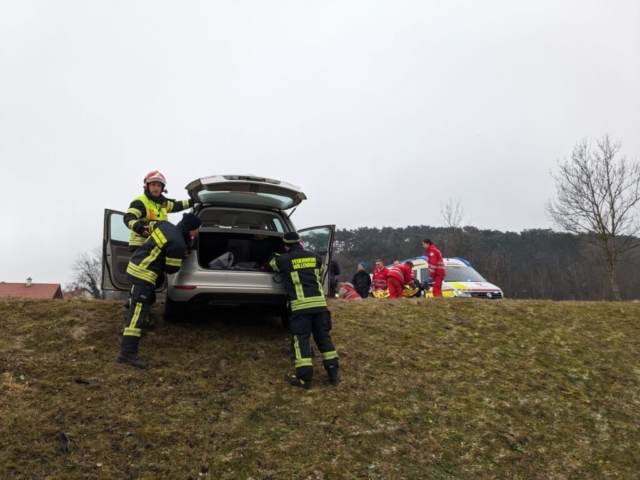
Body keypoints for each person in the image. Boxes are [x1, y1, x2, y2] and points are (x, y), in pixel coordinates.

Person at [116, 213, 202, 369]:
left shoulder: (164, 225)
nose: (196, 233)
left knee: (149, 299)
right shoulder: (178, 244)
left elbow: (149, 227)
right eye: (196, 230)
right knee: (137, 314)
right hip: (144, 274)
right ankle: (127, 353)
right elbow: (171, 268)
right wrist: (180, 255)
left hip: (135, 266)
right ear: (191, 229)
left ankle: (132, 301)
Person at [266, 232, 339, 389]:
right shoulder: (315, 257)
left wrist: (276, 255)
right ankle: (333, 374)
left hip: (301, 307)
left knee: (301, 340)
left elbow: (269, 264)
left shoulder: (284, 259)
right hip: (320, 305)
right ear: (300, 242)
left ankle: (304, 379)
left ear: (286, 246)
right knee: (323, 338)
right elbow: (319, 272)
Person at [124, 170, 193, 252]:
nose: (156, 188)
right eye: (153, 184)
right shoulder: (141, 202)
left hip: (155, 245)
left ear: (162, 188)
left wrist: (193, 201)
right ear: (147, 185)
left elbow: (177, 205)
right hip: (140, 246)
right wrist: (140, 229)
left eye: (159, 185)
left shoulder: (162, 204)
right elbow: (128, 218)